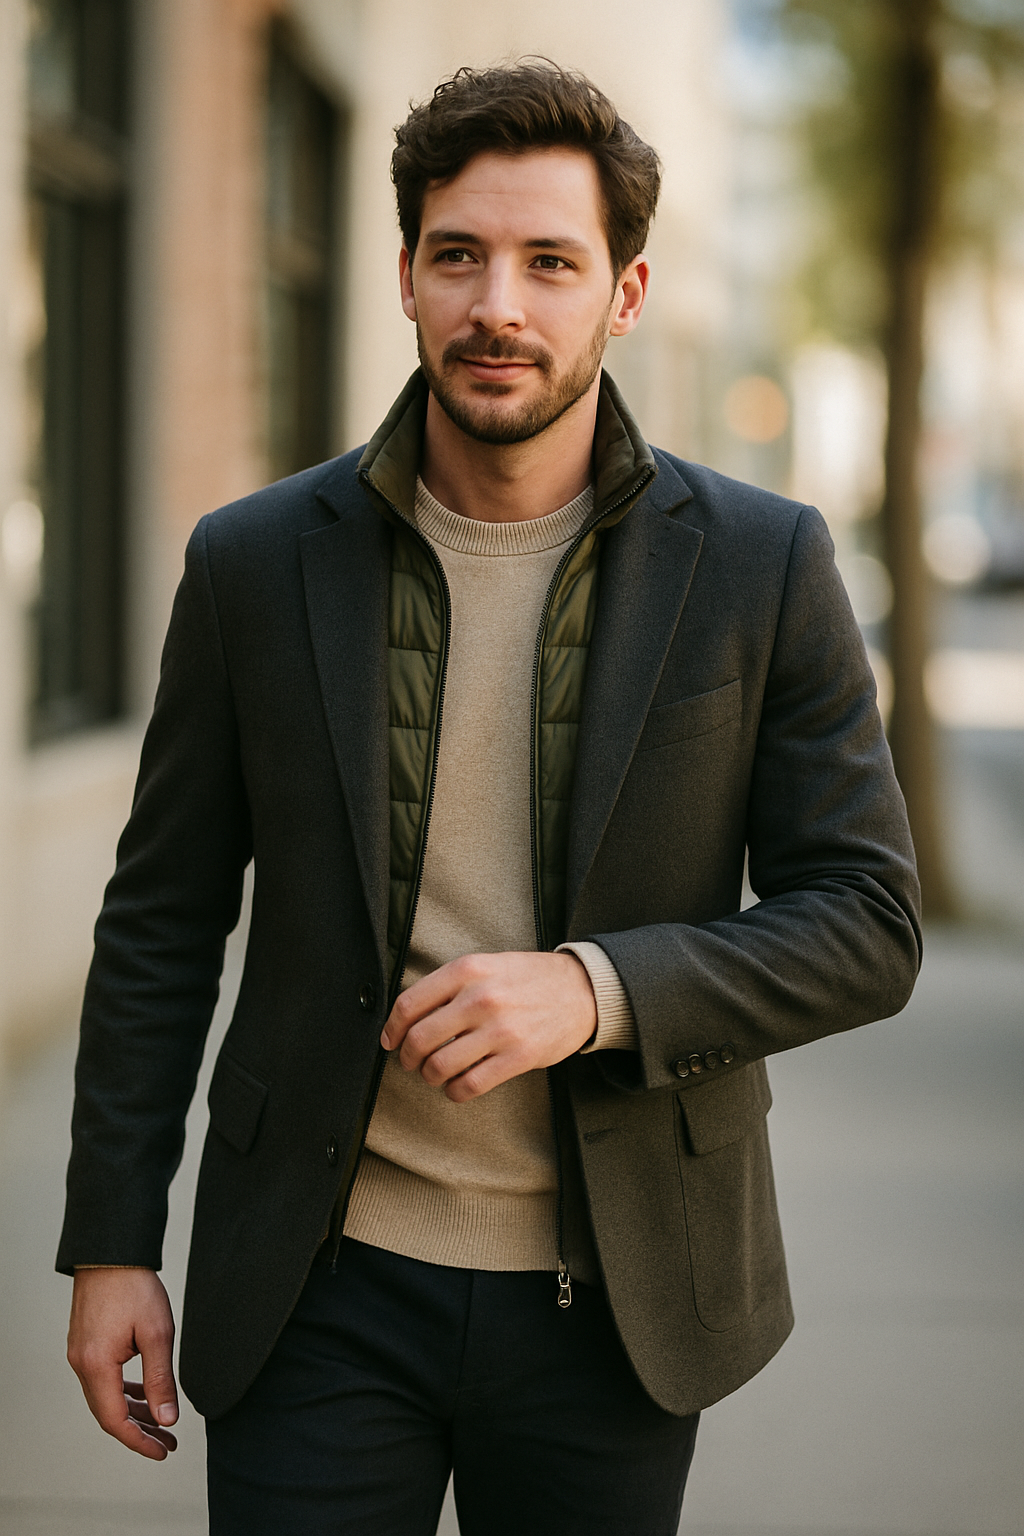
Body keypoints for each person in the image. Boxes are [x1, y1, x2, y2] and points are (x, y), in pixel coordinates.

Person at [59, 61, 921, 1536]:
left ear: (626, 294)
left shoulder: (762, 565)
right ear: (402, 275)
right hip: (317, 1283)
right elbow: (161, 921)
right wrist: (112, 1244)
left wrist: (596, 992)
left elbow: (868, 920)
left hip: (621, 1296)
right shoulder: (255, 564)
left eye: (549, 263)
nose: (497, 306)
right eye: (457, 255)